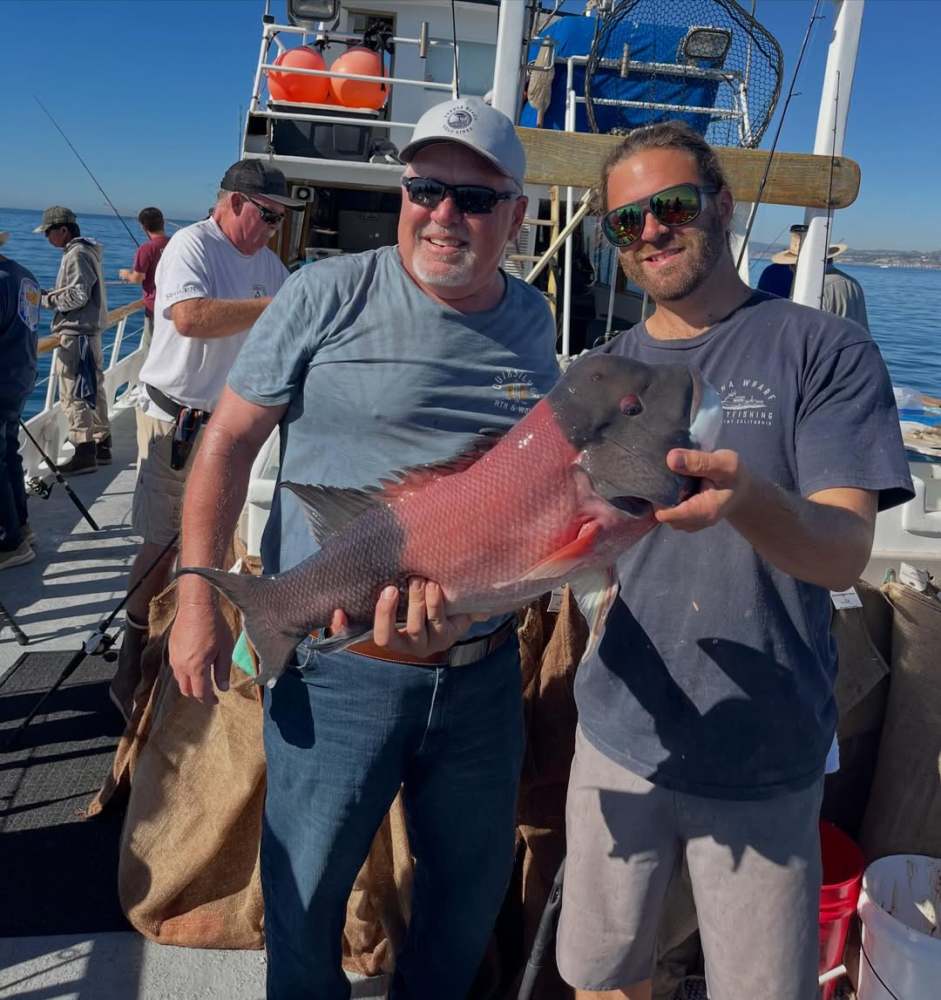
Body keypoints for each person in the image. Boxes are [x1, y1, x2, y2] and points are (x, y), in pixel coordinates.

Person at [168, 97, 560, 999]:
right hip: (339, 670)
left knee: (465, 902)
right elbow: (226, 442)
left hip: (483, 673)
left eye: (472, 197)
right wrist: (198, 599)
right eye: (424, 188)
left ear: (516, 213)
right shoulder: (324, 291)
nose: (442, 214)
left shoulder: (534, 321)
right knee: (302, 903)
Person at [556, 122, 913, 1000]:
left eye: (671, 206)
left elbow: (844, 552)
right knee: (604, 974)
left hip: (765, 745)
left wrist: (750, 500)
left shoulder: (820, 349)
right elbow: (566, 545)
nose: (649, 232)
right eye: (623, 222)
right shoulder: (595, 374)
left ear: (719, 205)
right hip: (619, 727)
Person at [109, 160, 296, 721]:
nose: (272, 229)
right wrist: (274, 307)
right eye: (266, 215)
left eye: (282, 220)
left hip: (235, 431)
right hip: (177, 425)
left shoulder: (270, 264)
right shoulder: (191, 246)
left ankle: (194, 661)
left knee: (231, 549)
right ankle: (131, 655)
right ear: (235, 202)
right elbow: (189, 317)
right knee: (165, 545)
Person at [35, 205, 111, 474]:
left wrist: (45, 299)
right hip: (89, 333)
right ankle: (102, 443)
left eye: (48, 233)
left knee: (74, 394)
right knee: (94, 389)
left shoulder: (77, 254)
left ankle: (84, 451)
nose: (46, 238)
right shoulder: (88, 251)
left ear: (63, 230)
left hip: (76, 335)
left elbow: (78, 295)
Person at [0, 231, 41, 570]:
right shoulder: (24, 274)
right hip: (22, 376)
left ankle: (9, 542)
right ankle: (21, 526)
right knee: (7, 452)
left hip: (2, 379)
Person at [759, 222, 871, 330]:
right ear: (830, 257)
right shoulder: (853, 283)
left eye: (791, 264)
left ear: (795, 264)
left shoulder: (812, 288)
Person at [118, 206, 170, 352]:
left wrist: (125, 274)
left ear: (143, 226)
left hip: (155, 307)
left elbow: (137, 278)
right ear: (163, 222)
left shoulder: (146, 248)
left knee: (152, 349)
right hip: (174, 305)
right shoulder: (175, 243)